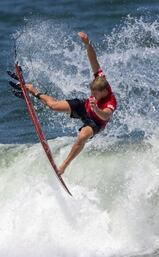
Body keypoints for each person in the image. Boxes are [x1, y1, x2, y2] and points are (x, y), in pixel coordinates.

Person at [25, 32, 117, 175]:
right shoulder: (100, 79)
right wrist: (87, 44)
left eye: (95, 94)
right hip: (85, 107)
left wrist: (96, 108)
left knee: (82, 137)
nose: (92, 95)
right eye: (91, 93)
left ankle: (63, 166)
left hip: (96, 122)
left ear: (104, 91)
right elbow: (94, 60)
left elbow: (106, 115)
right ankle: (33, 91)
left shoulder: (111, 100)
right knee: (53, 106)